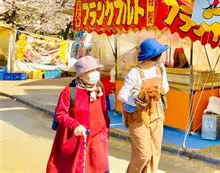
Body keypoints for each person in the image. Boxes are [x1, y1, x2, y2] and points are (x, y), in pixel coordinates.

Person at [47, 56, 110, 173]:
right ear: (81, 75)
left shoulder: (99, 86)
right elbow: (60, 114)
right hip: (76, 139)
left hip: (97, 138)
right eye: (90, 71)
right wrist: (75, 125)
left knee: (98, 167)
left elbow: (104, 110)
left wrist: (106, 130)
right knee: (75, 168)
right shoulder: (69, 91)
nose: (95, 73)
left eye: (96, 70)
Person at [118, 38, 169, 173]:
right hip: (137, 116)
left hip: (157, 113)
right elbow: (122, 95)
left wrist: (162, 90)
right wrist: (138, 98)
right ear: (156, 55)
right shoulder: (135, 72)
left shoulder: (160, 68)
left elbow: (166, 87)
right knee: (143, 154)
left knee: (155, 151)